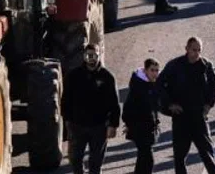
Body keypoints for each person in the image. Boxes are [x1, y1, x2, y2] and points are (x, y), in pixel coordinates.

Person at [159, 38, 215, 174]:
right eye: (194, 49)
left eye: (199, 50)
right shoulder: (175, 65)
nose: (197, 53)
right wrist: (170, 104)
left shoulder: (206, 65)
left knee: (207, 153)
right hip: (181, 117)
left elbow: (214, 84)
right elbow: (159, 85)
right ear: (186, 48)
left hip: (199, 116)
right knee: (180, 156)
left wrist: (208, 105)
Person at [63, 44, 121, 174]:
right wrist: (67, 121)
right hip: (77, 126)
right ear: (84, 56)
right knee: (75, 159)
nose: (91, 58)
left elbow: (114, 103)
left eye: (94, 55)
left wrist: (113, 125)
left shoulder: (107, 77)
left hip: (99, 127)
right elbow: (65, 100)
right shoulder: (73, 76)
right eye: (88, 55)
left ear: (99, 55)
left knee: (96, 162)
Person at [123, 57, 162, 174]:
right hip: (139, 129)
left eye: (157, 70)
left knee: (142, 159)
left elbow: (155, 107)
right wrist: (129, 124)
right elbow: (128, 108)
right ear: (145, 71)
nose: (155, 73)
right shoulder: (138, 86)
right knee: (148, 159)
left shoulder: (153, 85)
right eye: (152, 70)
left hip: (149, 128)